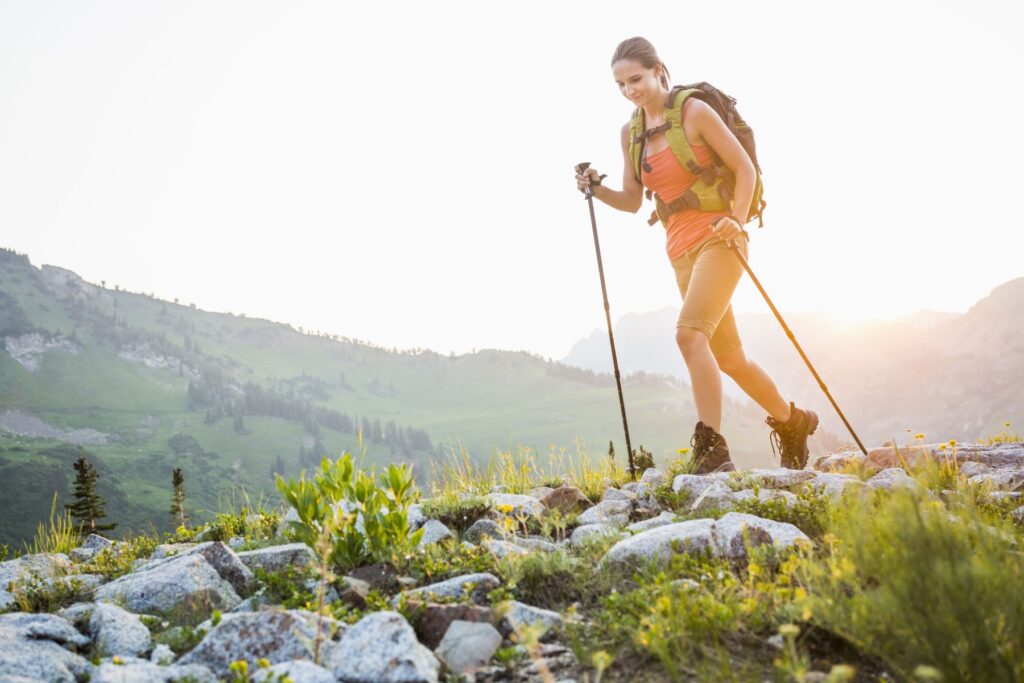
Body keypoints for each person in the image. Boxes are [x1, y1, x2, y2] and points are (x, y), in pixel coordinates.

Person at [574, 36, 818, 473]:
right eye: (620, 84)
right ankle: (793, 422)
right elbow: (632, 201)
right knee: (729, 358)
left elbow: (743, 167)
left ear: (658, 70)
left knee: (688, 336)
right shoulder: (629, 132)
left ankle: (712, 449)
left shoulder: (694, 113)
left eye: (636, 79)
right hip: (679, 250)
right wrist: (596, 187)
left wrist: (738, 220)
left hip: (721, 240)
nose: (630, 90)